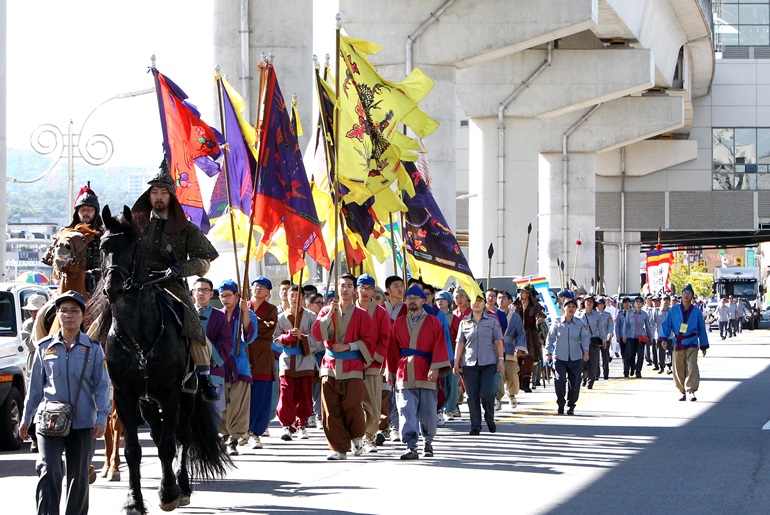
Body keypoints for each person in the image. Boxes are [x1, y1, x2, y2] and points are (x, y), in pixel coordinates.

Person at [131, 163, 220, 401]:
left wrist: (180, 268)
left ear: (171, 196)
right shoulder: (133, 225)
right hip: (136, 284)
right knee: (104, 318)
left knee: (192, 323)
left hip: (171, 286)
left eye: (163, 193)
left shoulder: (187, 228)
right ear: (148, 196)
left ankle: (203, 375)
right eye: (154, 193)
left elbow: (205, 260)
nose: (158, 197)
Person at [20, 290, 111, 515]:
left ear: (82, 316)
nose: (68, 315)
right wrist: (25, 419)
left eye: (74, 311)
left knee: (78, 476)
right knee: (49, 470)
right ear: (57, 315)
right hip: (49, 421)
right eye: (63, 311)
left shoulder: (93, 348)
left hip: (82, 423)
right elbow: (34, 389)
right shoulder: (44, 347)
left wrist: (102, 418)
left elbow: (102, 386)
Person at [311, 274, 377, 460]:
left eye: (349, 285)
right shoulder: (326, 311)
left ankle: (357, 435)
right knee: (331, 408)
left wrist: (349, 346)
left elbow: (369, 341)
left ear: (354, 289)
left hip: (353, 365)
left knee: (351, 404)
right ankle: (339, 448)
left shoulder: (362, 315)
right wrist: (329, 315)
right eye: (342, 285)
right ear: (337, 288)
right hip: (330, 364)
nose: (345, 289)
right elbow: (317, 333)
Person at [386, 284, 450, 459]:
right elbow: (392, 349)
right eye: (409, 298)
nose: (412, 301)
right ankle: (411, 445)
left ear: (423, 300)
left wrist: (435, 367)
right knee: (405, 408)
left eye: (416, 298)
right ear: (405, 301)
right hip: (403, 371)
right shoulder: (398, 323)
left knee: (428, 411)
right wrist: (390, 371)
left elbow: (440, 346)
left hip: (426, 369)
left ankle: (428, 441)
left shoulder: (434, 322)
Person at [274, 284, 321, 441]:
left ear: (303, 299)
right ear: (287, 297)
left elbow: (317, 341)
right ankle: (286, 425)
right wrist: (286, 337)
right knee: (286, 393)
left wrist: (302, 336)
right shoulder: (280, 317)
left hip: (305, 360)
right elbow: (275, 339)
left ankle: (302, 424)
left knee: (304, 394)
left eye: (297, 296)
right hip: (287, 360)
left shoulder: (311, 317)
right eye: (291, 295)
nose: (294, 299)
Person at [454, 294, 504, 435]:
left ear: (484, 305)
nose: (477, 304)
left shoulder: (492, 321)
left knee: (487, 393)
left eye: (480, 301)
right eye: (474, 301)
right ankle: (475, 425)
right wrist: (456, 362)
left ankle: (489, 417)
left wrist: (500, 359)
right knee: (472, 396)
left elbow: (498, 341)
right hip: (470, 363)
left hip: (489, 362)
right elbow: (460, 343)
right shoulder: (464, 322)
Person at [42, 185, 105, 297]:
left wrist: (97, 273)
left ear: (96, 211)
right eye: (82, 210)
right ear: (77, 212)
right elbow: (50, 259)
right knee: (43, 313)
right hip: (69, 287)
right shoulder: (66, 234)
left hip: (101, 289)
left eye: (90, 210)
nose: (86, 213)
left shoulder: (105, 234)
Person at [217, 280, 257, 455]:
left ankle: (235, 437)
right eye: (222, 295)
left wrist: (245, 313)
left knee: (238, 404)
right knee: (221, 402)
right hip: (220, 363)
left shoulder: (246, 314)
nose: (225, 299)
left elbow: (248, 336)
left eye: (228, 295)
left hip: (239, 363)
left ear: (236, 296)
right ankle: (224, 433)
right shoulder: (217, 315)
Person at [355, 274, 391, 453]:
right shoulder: (349, 310)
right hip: (352, 363)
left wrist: (372, 358)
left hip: (373, 365)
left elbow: (386, 339)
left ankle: (369, 436)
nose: (366, 292)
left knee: (374, 404)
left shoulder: (381, 312)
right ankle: (356, 436)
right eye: (363, 288)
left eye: (369, 288)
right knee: (354, 403)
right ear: (357, 289)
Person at [659, 284, 709, 401]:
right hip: (678, 342)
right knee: (678, 367)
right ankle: (682, 390)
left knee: (692, 365)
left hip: (691, 341)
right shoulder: (674, 310)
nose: (686, 296)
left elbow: (701, 328)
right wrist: (664, 339)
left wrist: (703, 345)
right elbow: (666, 325)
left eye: (689, 294)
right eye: (684, 293)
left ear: (692, 297)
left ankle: (691, 390)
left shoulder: (696, 312)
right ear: (681, 296)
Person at [192, 278, 233, 419]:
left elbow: (227, 342)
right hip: (188, 369)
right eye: (198, 290)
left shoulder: (220, 316)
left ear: (211, 293)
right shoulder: (185, 313)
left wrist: (207, 348)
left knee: (212, 413)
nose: (201, 293)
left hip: (213, 368)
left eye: (205, 290)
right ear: (193, 293)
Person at [245, 275, 278, 450]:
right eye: (255, 285)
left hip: (263, 356)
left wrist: (249, 318)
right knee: (241, 394)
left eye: (262, 286)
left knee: (261, 395)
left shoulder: (271, 309)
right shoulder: (242, 306)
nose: (258, 288)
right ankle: (239, 430)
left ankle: (256, 432)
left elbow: (268, 328)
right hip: (244, 353)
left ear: (267, 292)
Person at [546, 297, 589, 415]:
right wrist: (548, 353)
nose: (571, 309)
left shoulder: (579, 323)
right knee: (560, 380)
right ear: (564, 308)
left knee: (575, 382)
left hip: (576, 357)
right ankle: (560, 402)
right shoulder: (557, 322)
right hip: (560, 357)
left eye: (573, 307)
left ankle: (571, 405)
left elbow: (584, 338)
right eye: (568, 306)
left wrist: (586, 351)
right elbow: (550, 338)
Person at [512, 285, 544, 393]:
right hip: (517, 335)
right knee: (518, 359)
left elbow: (541, 322)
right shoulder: (514, 306)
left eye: (523, 292)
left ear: (528, 294)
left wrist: (539, 321)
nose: (521, 294)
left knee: (529, 359)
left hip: (531, 334)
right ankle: (519, 382)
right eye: (520, 292)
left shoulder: (535, 307)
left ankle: (526, 384)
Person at [498, 292, 527, 408]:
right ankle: (497, 398)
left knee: (512, 374)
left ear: (510, 301)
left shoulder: (515, 317)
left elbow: (520, 333)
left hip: (510, 350)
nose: (501, 300)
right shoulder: (491, 315)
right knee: (498, 376)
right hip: (496, 351)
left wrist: (519, 348)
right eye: (499, 298)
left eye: (504, 298)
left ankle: (512, 394)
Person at [623, 296, 655, 379]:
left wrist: (650, 338)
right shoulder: (629, 313)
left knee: (640, 355)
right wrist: (624, 336)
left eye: (640, 302)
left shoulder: (644, 314)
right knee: (630, 355)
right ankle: (632, 367)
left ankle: (638, 371)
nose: (638, 303)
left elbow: (648, 327)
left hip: (641, 338)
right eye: (636, 301)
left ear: (642, 304)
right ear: (634, 303)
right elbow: (625, 326)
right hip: (631, 337)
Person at [578, 295, 603, 389]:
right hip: (581, 341)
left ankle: (590, 381)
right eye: (587, 301)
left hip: (593, 341)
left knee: (593, 362)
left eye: (591, 301)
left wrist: (603, 339)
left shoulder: (597, 315)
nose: (589, 303)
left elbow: (601, 328)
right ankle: (583, 377)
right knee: (582, 362)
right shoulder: (579, 314)